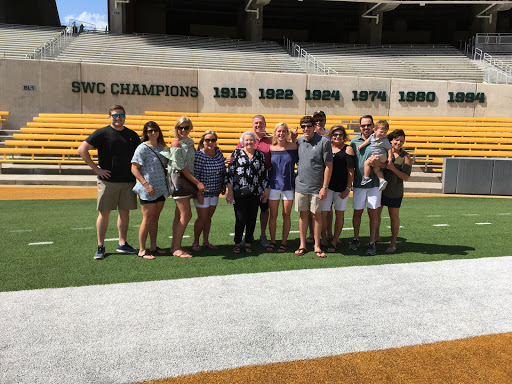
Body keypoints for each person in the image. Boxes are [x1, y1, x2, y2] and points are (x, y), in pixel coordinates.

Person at [77, 105, 140, 260]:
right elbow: (82, 149)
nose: (118, 118)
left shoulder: (132, 135)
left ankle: (122, 244)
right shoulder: (102, 133)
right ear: (109, 117)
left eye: (121, 115)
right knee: (104, 213)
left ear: (125, 116)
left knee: (124, 213)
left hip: (128, 181)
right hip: (108, 181)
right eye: (115, 115)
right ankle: (100, 246)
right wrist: (97, 169)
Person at [160, 116, 206, 259]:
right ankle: (177, 248)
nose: (183, 130)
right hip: (179, 180)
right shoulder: (176, 143)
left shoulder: (190, 142)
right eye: (180, 127)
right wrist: (197, 182)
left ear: (190, 128)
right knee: (186, 215)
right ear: (176, 129)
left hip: (186, 180)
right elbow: (181, 167)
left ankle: (175, 246)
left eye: (186, 127)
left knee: (178, 215)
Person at [294, 116, 333, 258]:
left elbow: (329, 166)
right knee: (303, 215)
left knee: (317, 215)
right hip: (301, 185)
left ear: (314, 126)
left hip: (317, 186)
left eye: (308, 126)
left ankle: (317, 245)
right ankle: (302, 244)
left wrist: (324, 187)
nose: (305, 129)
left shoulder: (324, 142)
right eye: (303, 126)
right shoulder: (299, 141)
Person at [131, 121, 170, 259]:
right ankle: (142, 249)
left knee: (155, 218)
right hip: (148, 189)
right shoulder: (142, 148)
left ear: (159, 132)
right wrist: (146, 185)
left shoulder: (162, 148)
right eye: (149, 131)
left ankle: (153, 246)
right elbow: (134, 168)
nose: (153, 133)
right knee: (147, 219)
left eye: (155, 130)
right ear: (146, 133)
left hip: (160, 188)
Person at [226, 131, 269, 254]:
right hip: (239, 192)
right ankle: (237, 242)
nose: (249, 142)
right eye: (247, 140)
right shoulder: (236, 153)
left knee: (252, 218)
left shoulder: (260, 155)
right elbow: (230, 173)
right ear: (242, 142)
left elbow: (263, 173)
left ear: (255, 142)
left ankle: (248, 242)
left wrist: (265, 190)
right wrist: (230, 192)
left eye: (251, 140)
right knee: (240, 218)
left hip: (255, 192)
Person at [233, 115, 272, 247]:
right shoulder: (246, 138)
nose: (258, 125)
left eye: (260, 123)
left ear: (265, 124)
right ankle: (245, 238)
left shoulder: (271, 140)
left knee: (264, 210)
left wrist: (265, 186)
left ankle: (262, 235)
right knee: (244, 214)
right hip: (245, 186)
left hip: (263, 181)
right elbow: (236, 156)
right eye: (256, 123)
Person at [349, 115, 385, 256]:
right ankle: (356, 238)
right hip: (358, 183)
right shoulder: (354, 142)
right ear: (360, 126)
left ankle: (372, 242)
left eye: (368, 125)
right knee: (357, 212)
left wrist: (379, 164)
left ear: (373, 126)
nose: (366, 127)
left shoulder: (380, 141)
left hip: (375, 184)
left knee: (373, 213)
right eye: (363, 125)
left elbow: (385, 163)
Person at [377, 129, 412, 253]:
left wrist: (392, 168)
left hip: (394, 191)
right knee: (376, 215)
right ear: (391, 140)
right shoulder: (383, 151)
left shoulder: (405, 156)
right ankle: (376, 237)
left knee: (394, 217)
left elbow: (406, 177)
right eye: (397, 140)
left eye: (401, 141)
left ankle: (393, 243)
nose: (399, 143)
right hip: (380, 190)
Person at [321, 125, 355, 253]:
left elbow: (351, 171)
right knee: (323, 213)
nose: (337, 137)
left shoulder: (348, 149)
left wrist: (348, 188)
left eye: (340, 134)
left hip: (341, 188)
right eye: (335, 134)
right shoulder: (327, 147)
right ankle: (324, 238)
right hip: (327, 187)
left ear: (344, 136)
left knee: (339, 214)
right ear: (331, 135)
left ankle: (334, 241)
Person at [192, 130, 226, 252]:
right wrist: (199, 193)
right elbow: (196, 175)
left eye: (213, 140)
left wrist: (223, 184)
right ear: (203, 141)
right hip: (203, 192)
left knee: (208, 217)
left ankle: (206, 241)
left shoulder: (218, 152)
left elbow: (222, 169)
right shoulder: (200, 155)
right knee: (202, 218)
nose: (210, 142)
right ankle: (195, 241)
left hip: (215, 191)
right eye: (207, 140)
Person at [267, 123, 298, 253]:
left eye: (284, 131)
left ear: (287, 133)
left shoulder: (294, 146)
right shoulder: (270, 148)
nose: (281, 133)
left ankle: (284, 242)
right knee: (273, 215)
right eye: (279, 131)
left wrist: (294, 139)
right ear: (275, 133)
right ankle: (273, 241)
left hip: (288, 186)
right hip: (273, 186)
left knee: (286, 215)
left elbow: (299, 162)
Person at [307, 110, 331, 243]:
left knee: (327, 207)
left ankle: (328, 233)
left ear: (325, 121)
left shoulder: (330, 134)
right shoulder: (308, 133)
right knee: (312, 207)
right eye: (315, 120)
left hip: (327, 174)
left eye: (320, 120)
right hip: (313, 175)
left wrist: (325, 136)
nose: (318, 122)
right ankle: (312, 234)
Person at [357, 120, 393, 191]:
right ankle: (382, 180)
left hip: (381, 156)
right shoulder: (372, 136)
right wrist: (361, 146)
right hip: (375, 156)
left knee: (366, 163)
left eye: (385, 133)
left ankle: (366, 177)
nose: (383, 134)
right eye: (381, 132)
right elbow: (367, 141)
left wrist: (389, 158)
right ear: (375, 130)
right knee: (376, 169)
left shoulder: (384, 140)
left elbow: (389, 148)